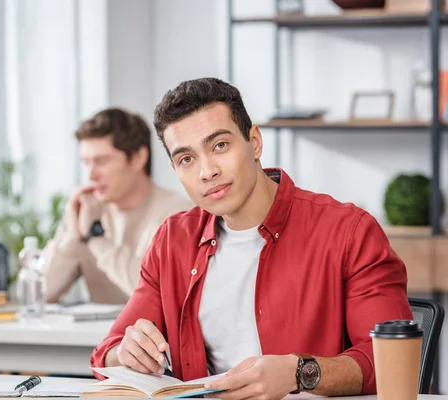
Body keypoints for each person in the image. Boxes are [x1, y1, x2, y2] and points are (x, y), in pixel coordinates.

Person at [90, 78, 413, 398]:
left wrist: (299, 373)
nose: (207, 171)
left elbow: (388, 363)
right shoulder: (173, 240)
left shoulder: (348, 232)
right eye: (187, 159)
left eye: (220, 145)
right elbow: (107, 352)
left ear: (255, 142)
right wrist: (127, 352)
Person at [42, 108, 193, 304]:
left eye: (102, 161)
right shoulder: (88, 210)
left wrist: (96, 237)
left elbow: (156, 294)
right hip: (96, 335)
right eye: (86, 163)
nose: (91, 175)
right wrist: (72, 237)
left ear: (139, 158)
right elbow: (41, 292)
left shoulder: (179, 215)